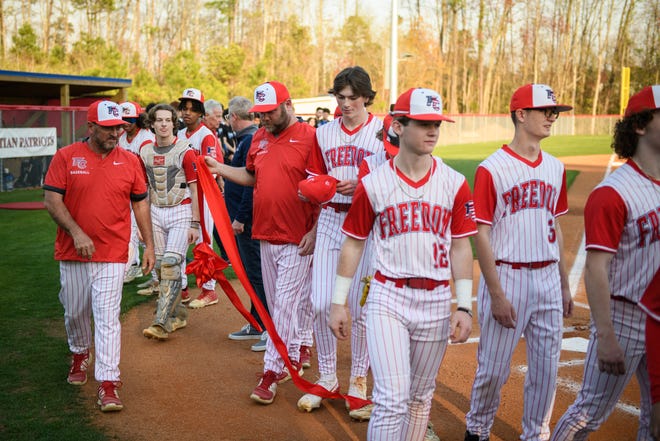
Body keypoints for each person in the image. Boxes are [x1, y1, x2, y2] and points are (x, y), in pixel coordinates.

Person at [329, 87, 476, 440]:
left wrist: (465, 306)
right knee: (391, 398)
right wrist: (338, 302)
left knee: (419, 398)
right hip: (388, 298)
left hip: (437, 301)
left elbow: (460, 247)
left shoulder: (454, 183)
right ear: (398, 125)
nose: (432, 131)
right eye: (423, 123)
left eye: (436, 124)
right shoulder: (375, 182)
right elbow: (353, 243)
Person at [464, 84, 574, 441]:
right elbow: (481, 232)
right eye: (545, 111)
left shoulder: (555, 168)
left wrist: (563, 283)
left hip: (547, 278)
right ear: (521, 114)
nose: (552, 117)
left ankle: (536, 435)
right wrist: (495, 293)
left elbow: (553, 225)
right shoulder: (491, 169)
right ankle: (477, 429)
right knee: (493, 369)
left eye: (554, 112)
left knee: (546, 370)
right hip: (507, 275)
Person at [551, 85, 660, 440]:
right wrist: (607, 335)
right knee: (589, 413)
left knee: (655, 418)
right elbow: (596, 268)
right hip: (624, 317)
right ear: (641, 126)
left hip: (657, 315)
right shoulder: (613, 193)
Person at [204, 81, 318, 405]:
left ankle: (271, 371)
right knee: (279, 303)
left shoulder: (310, 138)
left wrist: (316, 230)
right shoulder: (259, 138)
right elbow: (252, 176)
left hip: (298, 238)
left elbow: (324, 186)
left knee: (281, 305)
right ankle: (292, 353)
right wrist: (219, 168)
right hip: (266, 233)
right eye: (260, 113)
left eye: (270, 112)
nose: (264, 119)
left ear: (288, 105)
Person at [43, 100, 155, 412]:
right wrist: (77, 233)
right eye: (108, 128)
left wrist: (149, 243)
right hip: (73, 251)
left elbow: (140, 204)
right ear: (90, 127)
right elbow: (52, 200)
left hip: (113, 251)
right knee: (75, 310)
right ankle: (80, 352)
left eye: (119, 127)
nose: (116, 133)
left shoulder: (130, 161)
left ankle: (108, 381)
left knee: (107, 316)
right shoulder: (66, 157)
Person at [297, 66, 383, 420]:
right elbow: (313, 177)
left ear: (366, 97)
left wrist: (362, 184)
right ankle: (328, 375)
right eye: (340, 97)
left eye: (353, 97)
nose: (346, 104)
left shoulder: (382, 130)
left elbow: (395, 172)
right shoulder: (324, 133)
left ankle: (358, 380)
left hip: (368, 223)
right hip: (332, 219)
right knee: (320, 303)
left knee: (361, 310)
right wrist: (326, 187)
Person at [140, 103, 201, 341]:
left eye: (168, 120)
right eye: (159, 120)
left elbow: (195, 190)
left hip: (180, 211)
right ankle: (178, 314)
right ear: (152, 124)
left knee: (171, 264)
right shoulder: (144, 152)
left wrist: (195, 224)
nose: (164, 124)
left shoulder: (185, 150)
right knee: (158, 266)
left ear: (173, 123)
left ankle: (161, 321)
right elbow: (142, 190)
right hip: (155, 211)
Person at [223, 96, 271, 352]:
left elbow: (251, 185)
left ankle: (265, 326)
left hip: (249, 220)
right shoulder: (248, 139)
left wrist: (241, 217)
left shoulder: (250, 140)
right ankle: (256, 322)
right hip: (246, 218)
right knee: (251, 273)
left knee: (256, 273)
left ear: (233, 117)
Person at [176, 88, 222, 307]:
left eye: (192, 109)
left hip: (203, 194)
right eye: (184, 109)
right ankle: (182, 288)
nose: (187, 113)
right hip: (182, 193)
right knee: (181, 240)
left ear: (200, 112)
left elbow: (212, 169)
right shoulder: (178, 135)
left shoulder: (206, 135)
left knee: (204, 241)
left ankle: (208, 290)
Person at [118, 101, 156, 285]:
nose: (126, 123)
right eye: (123, 119)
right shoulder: (121, 137)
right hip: (127, 189)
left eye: (130, 120)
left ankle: (135, 267)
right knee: (133, 230)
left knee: (141, 230)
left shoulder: (145, 138)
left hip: (144, 190)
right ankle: (139, 267)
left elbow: (150, 169)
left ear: (138, 119)